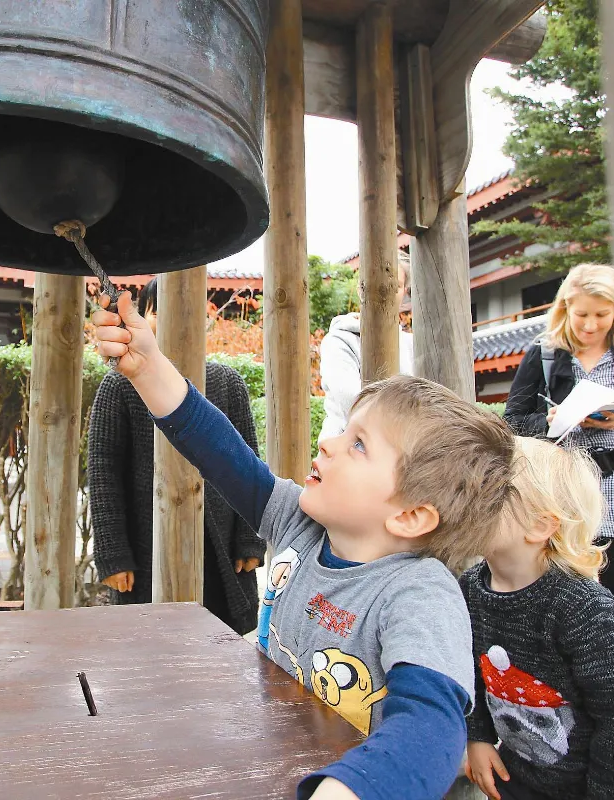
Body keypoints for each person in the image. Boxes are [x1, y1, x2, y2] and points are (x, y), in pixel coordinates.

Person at [91, 291, 517, 800]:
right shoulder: (299, 521)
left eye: (358, 444)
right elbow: (214, 445)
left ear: (409, 516)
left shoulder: (419, 595)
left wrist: (347, 789)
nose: (327, 442)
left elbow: (431, 726)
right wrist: (147, 366)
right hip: (277, 764)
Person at [462, 437, 614, 800]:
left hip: (585, 787)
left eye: (492, 488)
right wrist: (478, 736)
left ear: (540, 526)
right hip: (516, 777)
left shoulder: (587, 612)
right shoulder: (471, 587)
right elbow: (468, 670)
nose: (469, 496)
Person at [88, 279, 265, 635]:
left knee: (221, 641)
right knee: (150, 640)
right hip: (145, 544)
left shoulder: (227, 382)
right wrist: (113, 554)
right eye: (156, 311)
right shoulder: (119, 386)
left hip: (218, 543)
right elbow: (104, 474)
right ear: (142, 318)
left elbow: (248, 461)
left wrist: (249, 539)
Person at [503, 265, 614, 618]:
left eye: (602, 315)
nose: (590, 325)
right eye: (581, 315)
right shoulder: (544, 354)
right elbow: (512, 421)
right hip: (563, 494)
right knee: (566, 597)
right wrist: (548, 421)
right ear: (565, 309)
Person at [319, 251, 414, 442]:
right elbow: (352, 403)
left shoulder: (410, 343)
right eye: (379, 285)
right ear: (361, 288)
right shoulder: (339, 339)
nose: (386, 292)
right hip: (344, 450)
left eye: (395, 286)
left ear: (404, 292)